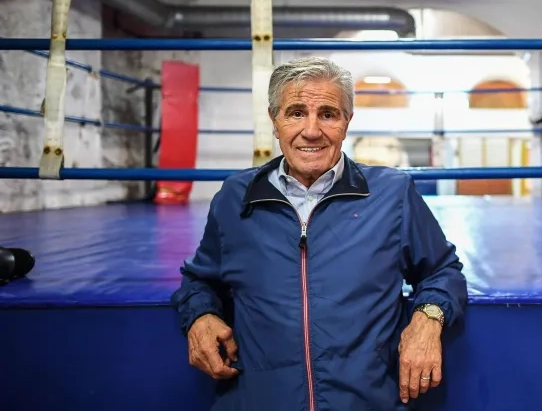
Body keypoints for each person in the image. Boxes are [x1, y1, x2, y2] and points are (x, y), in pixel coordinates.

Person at [170, 56, 468, 410]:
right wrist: (200, 316)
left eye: (328, 114)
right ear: (274, 120)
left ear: (346, 122)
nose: (311, 130)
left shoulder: (392, 194)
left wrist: (428, 318)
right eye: (296, 112)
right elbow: (199, 280)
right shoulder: (235, 198)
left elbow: (442, 270)